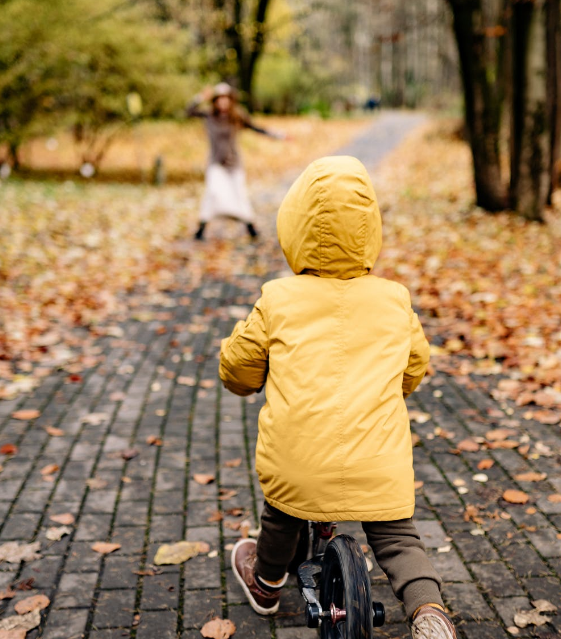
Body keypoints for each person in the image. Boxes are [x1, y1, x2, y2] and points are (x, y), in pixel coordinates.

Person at [219, 156, 456, 639]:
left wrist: (247, 378)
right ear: (370, 229)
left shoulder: (278, 299)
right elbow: (415, 366)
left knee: (282, 513)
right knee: (396, 535)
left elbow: (238, 367)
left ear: (293, 227)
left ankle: (265, 584)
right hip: (378, 460)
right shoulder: (393, 298)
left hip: (299, 458)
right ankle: (429, 612)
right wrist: (396, 387)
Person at [186, 82, 284, 241]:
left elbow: (255, 128)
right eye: (220, 99)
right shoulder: (210, 116)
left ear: (231, 100)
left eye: (226, 99)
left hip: (234, 163)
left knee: (240, 194)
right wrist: (200, 97)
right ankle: (201, 229)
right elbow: (189, 111)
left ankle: (250, 226)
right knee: (212, 192)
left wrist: (276, 135)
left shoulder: (237, 116)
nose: (223, 102)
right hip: (215, 162)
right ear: (215, 101)